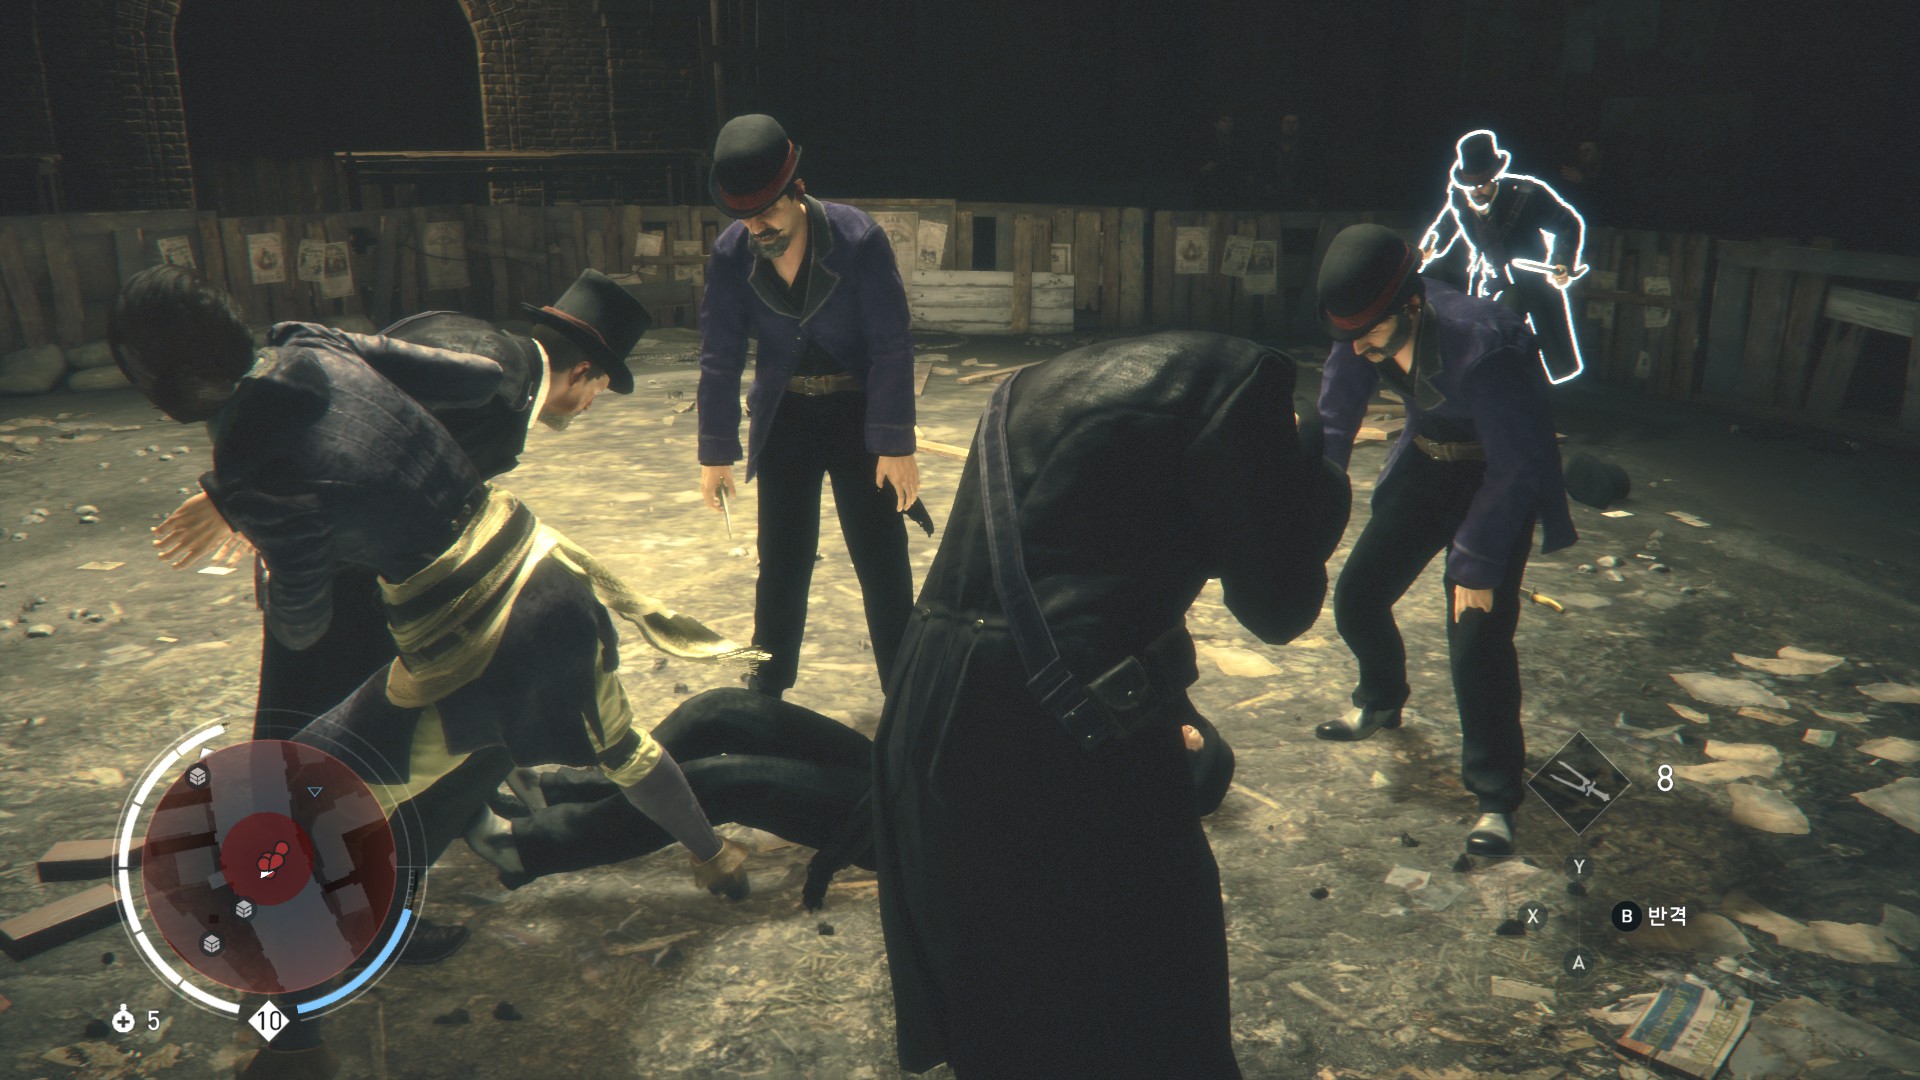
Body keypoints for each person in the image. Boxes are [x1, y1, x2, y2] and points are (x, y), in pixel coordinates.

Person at [110, 265, 751, 1079]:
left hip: (449, 622)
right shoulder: (332, 348)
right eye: (598, 390)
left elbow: (302, 611)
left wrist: (271, 512)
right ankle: (708, 854)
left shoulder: (287, 395)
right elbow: (437, 386)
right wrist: (275, 491)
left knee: (303, 813)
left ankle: (304, 1029)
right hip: (523, 575)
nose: (591, 407)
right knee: (578, 748)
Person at [873, 331, 1351, 1078]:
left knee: (997, 988)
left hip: (928, 689)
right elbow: (1278, 608)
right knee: (1160, 977)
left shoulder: (1033, 381)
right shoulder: (1250, 387)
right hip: (1049, 719)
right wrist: (1320, 491)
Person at [149, 270, 652, 965]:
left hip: (346, 564)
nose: (592, 406)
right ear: (585, 372)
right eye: (601, 389)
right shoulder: (494, 383)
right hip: (338, 578)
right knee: (355, 750)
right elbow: (332, 410)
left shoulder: (480, 347)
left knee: (322, 749)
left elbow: (332, 386)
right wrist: (233, 494)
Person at [464, 689, 1237, 909]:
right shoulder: (1124, 674)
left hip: (930, 825)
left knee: (727, 781)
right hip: (908, 766)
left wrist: (1176, 750)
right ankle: (563, 787)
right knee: (720, 713)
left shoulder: (1123, 796)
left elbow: (1205, 768)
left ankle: (528, 849)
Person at [1312, 224, 1577, 858]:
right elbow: (1336, 414)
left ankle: (1495, 795)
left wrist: (1478, 564)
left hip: (1495, 482)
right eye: (1352, 339)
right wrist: (1318, 488)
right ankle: (1381, 698)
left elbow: (1518, 465)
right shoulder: (1363, 329)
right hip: (1428, 465)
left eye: (1372, 337)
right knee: (1358, 596)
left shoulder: (1487, 345)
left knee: (1476, 637)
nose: (1362, 350)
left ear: (1411, 306)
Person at [697, 114, 929, 701]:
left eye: (768, 211)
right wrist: (715, 452)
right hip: (785, 418)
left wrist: (896, 444)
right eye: (745, 216)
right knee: (779, 565)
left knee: (882, 562)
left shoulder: (857, 239)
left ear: (796, 191)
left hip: (859, 416)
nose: (758, 226)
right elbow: (720, 356)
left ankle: (907, 694)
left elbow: (892, 345)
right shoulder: (732, 254)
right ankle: (765, 687)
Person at [1418, 129, 1589, 384]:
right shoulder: (1460, 196)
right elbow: (1445, 224)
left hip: (1528, 279)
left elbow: (1568, 223)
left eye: (1482, 184)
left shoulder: (1527, 194)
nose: (1476, 191)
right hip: (1489, 278)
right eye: (1470, 186)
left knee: (1500, 326)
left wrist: (1562, 260)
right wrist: (1429, 247)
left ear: (1495, 176)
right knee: (1486, 331)